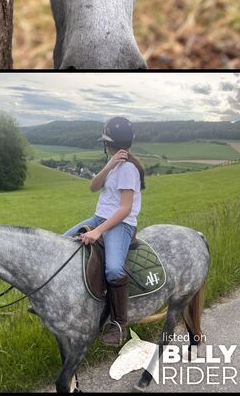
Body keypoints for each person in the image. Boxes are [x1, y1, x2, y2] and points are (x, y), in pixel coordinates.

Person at [63, 117, 145, 346]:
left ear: (109, 144)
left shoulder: (129, 169)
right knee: (62, 242)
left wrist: (98, 231)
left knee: (114, 269)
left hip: (121, 223)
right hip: (100, 217)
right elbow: (93, 187)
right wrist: (109, 166)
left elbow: (125, 208)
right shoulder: (115, 164)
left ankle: (119, 324)